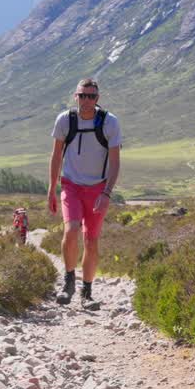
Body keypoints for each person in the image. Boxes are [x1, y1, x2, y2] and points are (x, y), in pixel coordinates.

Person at [47, 78, 122, 308]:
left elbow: (115, 162)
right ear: (75, 96)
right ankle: (69, 281)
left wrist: (106, 192)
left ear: (97, 99)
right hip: (71, 185)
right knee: (70, 231)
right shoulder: (65, 120)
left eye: (91, 96)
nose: (86, 100)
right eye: (82, 95)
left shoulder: (109, 123)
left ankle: (86, 292)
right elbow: (56, 156)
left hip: (98, 188)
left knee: (91, 239)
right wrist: (51, 189)